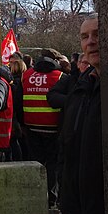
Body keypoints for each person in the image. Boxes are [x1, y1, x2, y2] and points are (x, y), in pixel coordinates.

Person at [58, 13, 106, 214]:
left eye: (97, 34)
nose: (91, 42)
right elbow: (66, 147)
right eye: (85, 37)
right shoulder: (80, 89)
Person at [22, 51, 65, 205]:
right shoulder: (60, 76)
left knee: (36, 163)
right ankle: (52, 199)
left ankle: (36, 197)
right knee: (53, 164)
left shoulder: (26, 75)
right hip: (53, 128)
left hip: (31, 127)